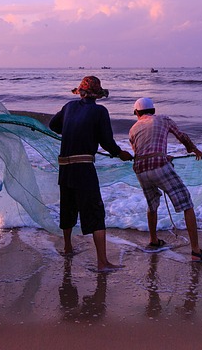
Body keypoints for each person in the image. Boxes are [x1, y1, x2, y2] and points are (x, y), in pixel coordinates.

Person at [49, 75, 133, 272]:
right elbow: (106, 141)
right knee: (95, 212)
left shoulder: (69, 107)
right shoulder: (100, 111)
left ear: (80, 92)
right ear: (97, 95)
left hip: (65, 168)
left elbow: (53, 126)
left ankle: (68, 247)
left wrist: (72, 129)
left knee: (68, 207)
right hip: (83, 168)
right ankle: (102, 263)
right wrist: (120, 153)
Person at [128, 97, 202, 262]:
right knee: (187, 204)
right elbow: (181, 136)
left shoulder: (133, 129)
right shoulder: (163, 119)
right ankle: (196, 251)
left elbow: (140, 152)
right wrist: (193, 149)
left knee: (152, 204)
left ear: (137, 113)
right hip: (159, 166)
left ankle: (153, 240)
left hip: (140, 169)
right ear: (153, 110)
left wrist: (162, 155)